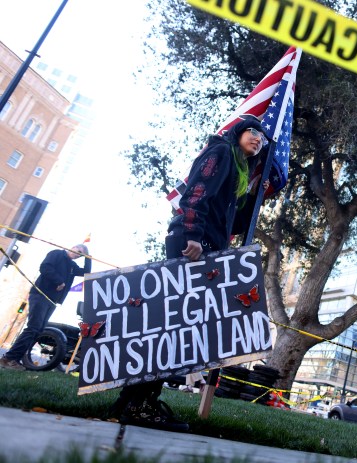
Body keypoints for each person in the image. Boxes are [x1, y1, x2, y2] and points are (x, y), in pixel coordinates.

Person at [108, 115, 270, 432]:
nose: (258, 139)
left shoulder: (239, 169)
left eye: (262, 138)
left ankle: (136, 401)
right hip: (192, 243)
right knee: (172, 327)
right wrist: (193, 235)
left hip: (207, 246)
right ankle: (138, 404)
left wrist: (252, 197)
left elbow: (233, 224)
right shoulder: (222, 151)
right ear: (238, 132)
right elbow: (196, 194)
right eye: (253, 132)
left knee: (177, 328)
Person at [0, 244, 91, 370]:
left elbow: (86, 272)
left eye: (81, 255)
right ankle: (9, 358)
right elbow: (45, 267)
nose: (77, 255)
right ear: (73, 247)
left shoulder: (72, 266)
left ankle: (13, 359)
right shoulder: (57, 253)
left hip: (52, 301)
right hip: (41, 295)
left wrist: (88, 258)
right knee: (33, 328)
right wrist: (59, 281)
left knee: (38, 330)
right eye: (78, 251)